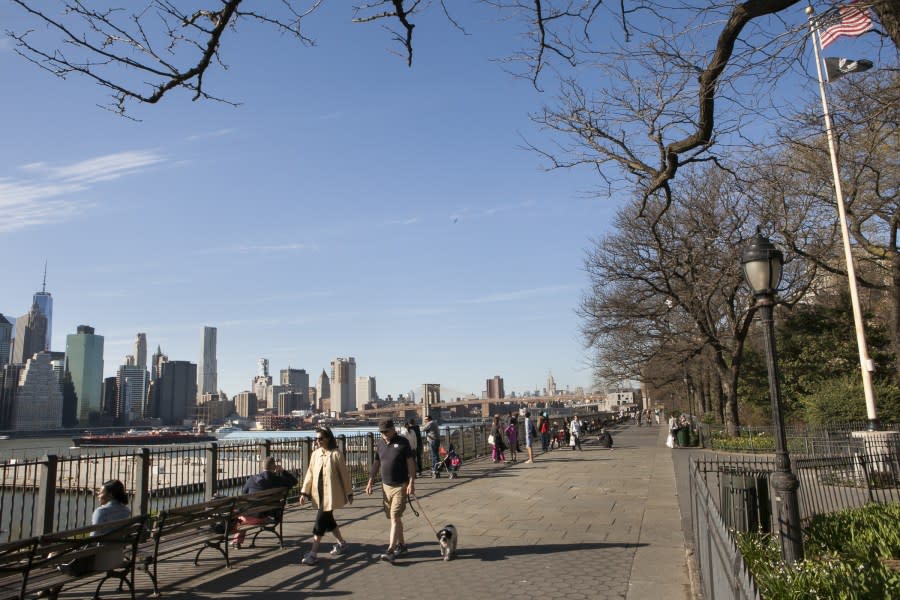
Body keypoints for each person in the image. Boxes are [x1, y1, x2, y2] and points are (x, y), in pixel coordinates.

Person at [299, 427, 354, 566]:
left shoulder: (336, 454)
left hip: (331, 495)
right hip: (319, 495)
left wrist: (349, 492)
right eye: (316, 439)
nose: (318, 441)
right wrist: (304, 492)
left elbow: (344, 475)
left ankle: (313, 553)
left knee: (320, 522)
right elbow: (310, 473)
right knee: (329, 520)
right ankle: (342, 543)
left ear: (328, 438)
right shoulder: (315, 454)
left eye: (321, 438)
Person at [365, 418, 416, 564]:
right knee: (394, 518)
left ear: (393, 429)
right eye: (381, 432)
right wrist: (370, 481)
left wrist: (412, 482)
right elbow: (376, 462)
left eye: (386, 431)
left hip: (400, 485)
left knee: (394, 516)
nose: (384, 434)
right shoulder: (380, 443)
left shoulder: (403, 443)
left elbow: (411, 463)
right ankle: (402, 545)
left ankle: (391, 550)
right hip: (385, 486)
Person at [232, 456, 298, 547]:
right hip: (264, 517)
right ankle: (237, 541)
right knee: (251, 513)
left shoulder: (251, 479)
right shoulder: (277, 480)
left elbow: (243, 496)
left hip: (247, 517)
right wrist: (283, 471)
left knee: (242, 515)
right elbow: (294, 481)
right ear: (274, 468)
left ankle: (237, 541)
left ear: (262, 467)